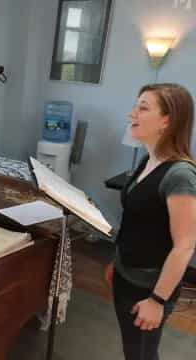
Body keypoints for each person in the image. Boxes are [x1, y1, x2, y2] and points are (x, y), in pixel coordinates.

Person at [105, 83, 196, 360]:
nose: (131, 114)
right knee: (133, 350)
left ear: (167, 121)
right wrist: (117, 262)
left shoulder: (180, 175)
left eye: (142, 107)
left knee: (141, 355)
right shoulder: (149, 160)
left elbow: (185, 246)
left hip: (148, 288)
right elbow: (137, 222)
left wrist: (157, 301)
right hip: (126, 275)